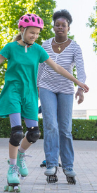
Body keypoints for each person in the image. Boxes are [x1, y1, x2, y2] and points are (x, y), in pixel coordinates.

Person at [0, 14, 89, 190]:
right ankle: (12, 167)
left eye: (37, 34)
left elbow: (57, 68)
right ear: (22, 30)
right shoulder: (10, 48)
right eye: (31, 33)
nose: (34, 36)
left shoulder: (38, 50)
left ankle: (20, 154)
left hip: (30, 95)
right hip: (13, 92)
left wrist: (78, 82)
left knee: (34, 133)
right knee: (17, 132)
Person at [37, 9, 86, 182]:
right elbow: (40, 67)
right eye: (57, 25)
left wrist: (80, 88)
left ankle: (68, 166)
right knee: (51, 125)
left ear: (68, 28)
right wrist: (36, 89)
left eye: (63, 25)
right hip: (46, 87)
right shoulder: (44, 44)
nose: (60, 28)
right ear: (53, 27)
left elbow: (80, 69)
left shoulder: (75, 47)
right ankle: (51, 164)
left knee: (65, 129)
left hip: (65, 89)